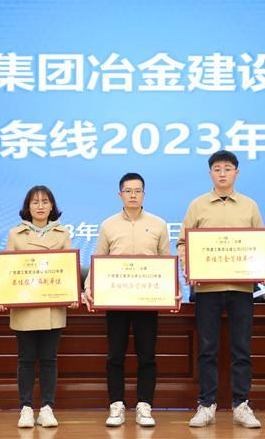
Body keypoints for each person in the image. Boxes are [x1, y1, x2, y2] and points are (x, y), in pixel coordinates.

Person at [176, 150, 265, 429]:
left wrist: (262, 269)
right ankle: (206, 405)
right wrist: (189, 267)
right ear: (210, 173)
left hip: (241, 288)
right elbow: (183, 243)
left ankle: (241, 405)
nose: (223, 173)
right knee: (207, 349)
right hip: (207, 289)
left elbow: (260, 244)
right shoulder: (197, 205)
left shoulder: (249, 206)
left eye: (228, 168)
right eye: (217, 169)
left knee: (242, 348)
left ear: (236, 172)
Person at [81, 173, 171, 428]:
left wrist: (172, 291)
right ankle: (116, 404)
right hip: (116, 300)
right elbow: (98, 260)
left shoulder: (158, 224)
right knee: (115, 355)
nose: (133, 195)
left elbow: (166, 262)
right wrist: (88, 287)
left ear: (144, 194)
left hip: (147, 300)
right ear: (120, 194)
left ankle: (145, 405)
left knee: (147, 355)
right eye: (128, 191)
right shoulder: (108, 225)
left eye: (138, 190)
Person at [0, 185, 77, 429]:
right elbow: (7, 271)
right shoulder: (15, 234)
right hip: (25, 308)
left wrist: (73, 292)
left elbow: (68, 269)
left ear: (52, 206)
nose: (40, 206)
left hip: (52, 307)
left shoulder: (63, 233)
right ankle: (25, 408)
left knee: (49, 359)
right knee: (26, 359)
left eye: (45, 201)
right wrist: (2, 295)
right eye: (35, 202)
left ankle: (47, 408)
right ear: (28, 207)